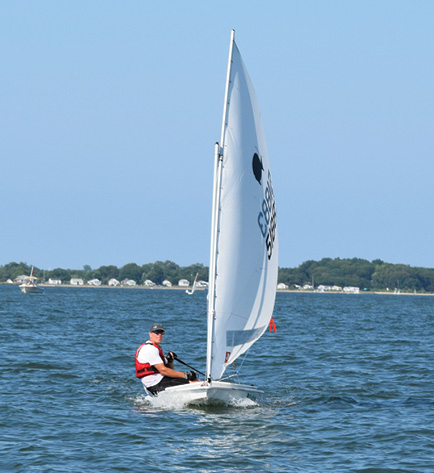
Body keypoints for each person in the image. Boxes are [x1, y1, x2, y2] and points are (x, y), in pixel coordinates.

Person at [135, 323, 198, 395]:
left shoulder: (156, 348)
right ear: (150, 334)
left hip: (159, 381)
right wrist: (185, 375)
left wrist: (170, 360)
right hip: (156, 384)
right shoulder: (149, 349)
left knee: (192, 380)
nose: (159, 335)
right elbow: (163, 370)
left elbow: (169, 370)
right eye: (156, 332)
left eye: (161, 333)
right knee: (194, 382)